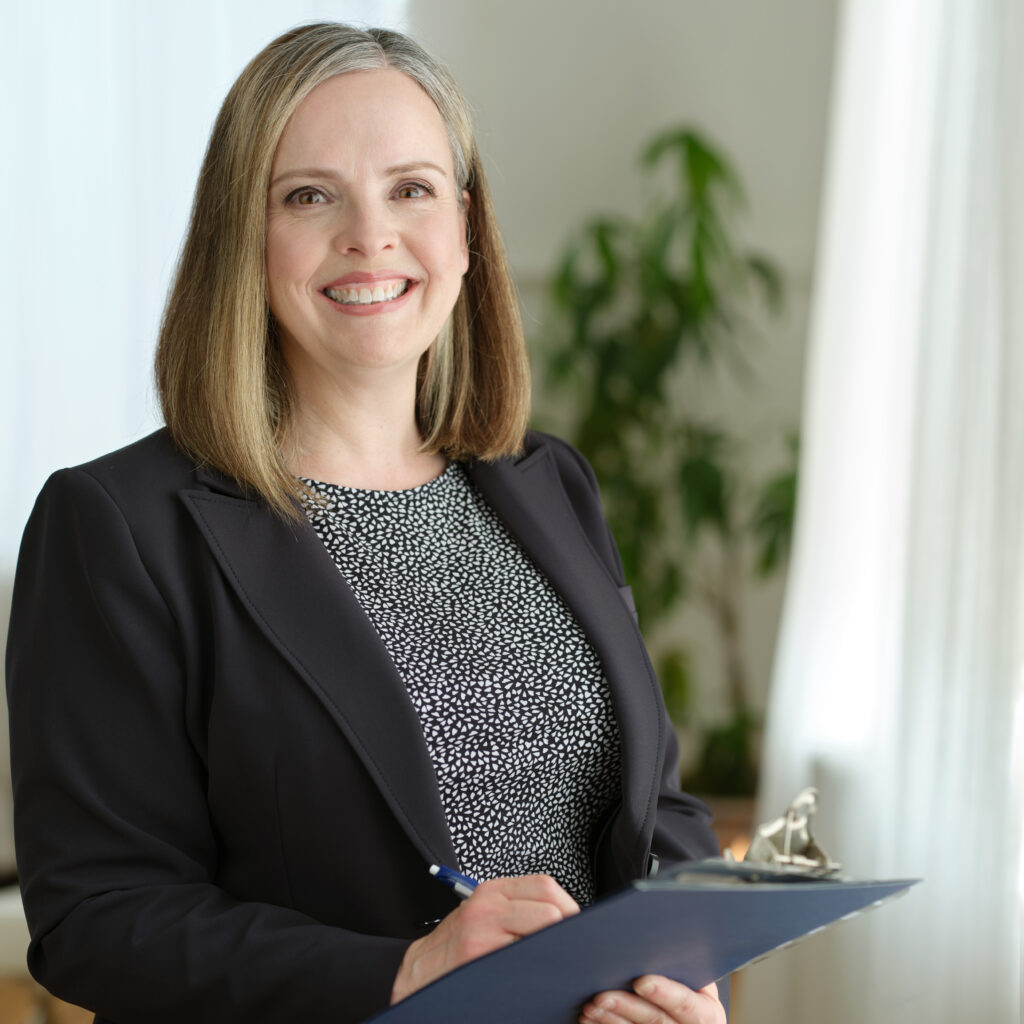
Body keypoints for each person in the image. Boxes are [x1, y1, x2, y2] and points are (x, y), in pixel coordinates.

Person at [5, 22, 726, 1024]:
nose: (370, 235)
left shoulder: (547, 481)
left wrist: (683, 980)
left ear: (465, 229)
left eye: (411, 189)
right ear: (241, 236)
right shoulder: (116, 527)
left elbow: (660, 810)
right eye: (309, 195)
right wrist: (405, 971)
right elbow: (98, 914)